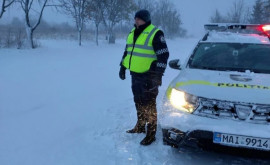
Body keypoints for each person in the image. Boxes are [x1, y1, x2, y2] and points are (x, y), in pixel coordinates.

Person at [118, 9, 169, 146]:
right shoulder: (132, 32)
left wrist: (157, 75)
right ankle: (140, 126)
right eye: (135, 18)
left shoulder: (156, 33)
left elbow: (163, 55)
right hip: (135, 75)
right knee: (138, 101)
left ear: (145, 19)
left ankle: (151, 134)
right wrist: (122, 67)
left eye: (139, 19)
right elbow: (127, 51)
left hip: (149, 77)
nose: (136, 21)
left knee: (150, 104)